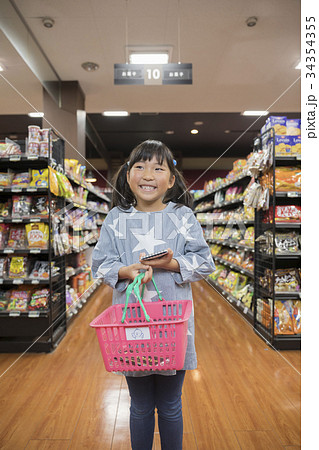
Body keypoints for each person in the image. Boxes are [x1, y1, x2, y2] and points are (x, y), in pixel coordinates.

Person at [92, 140, 215, 450]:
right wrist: (124, 271)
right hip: (130, 328)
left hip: (173, 328)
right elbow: (100, 263)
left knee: (171, 403)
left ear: (171, 180)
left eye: (158, 168)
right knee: (141, 405)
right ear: (128, 175)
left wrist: (171, 264)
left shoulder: (183, 216)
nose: (148, 174)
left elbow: (205, 263)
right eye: (140, 167)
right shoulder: (115, 219)